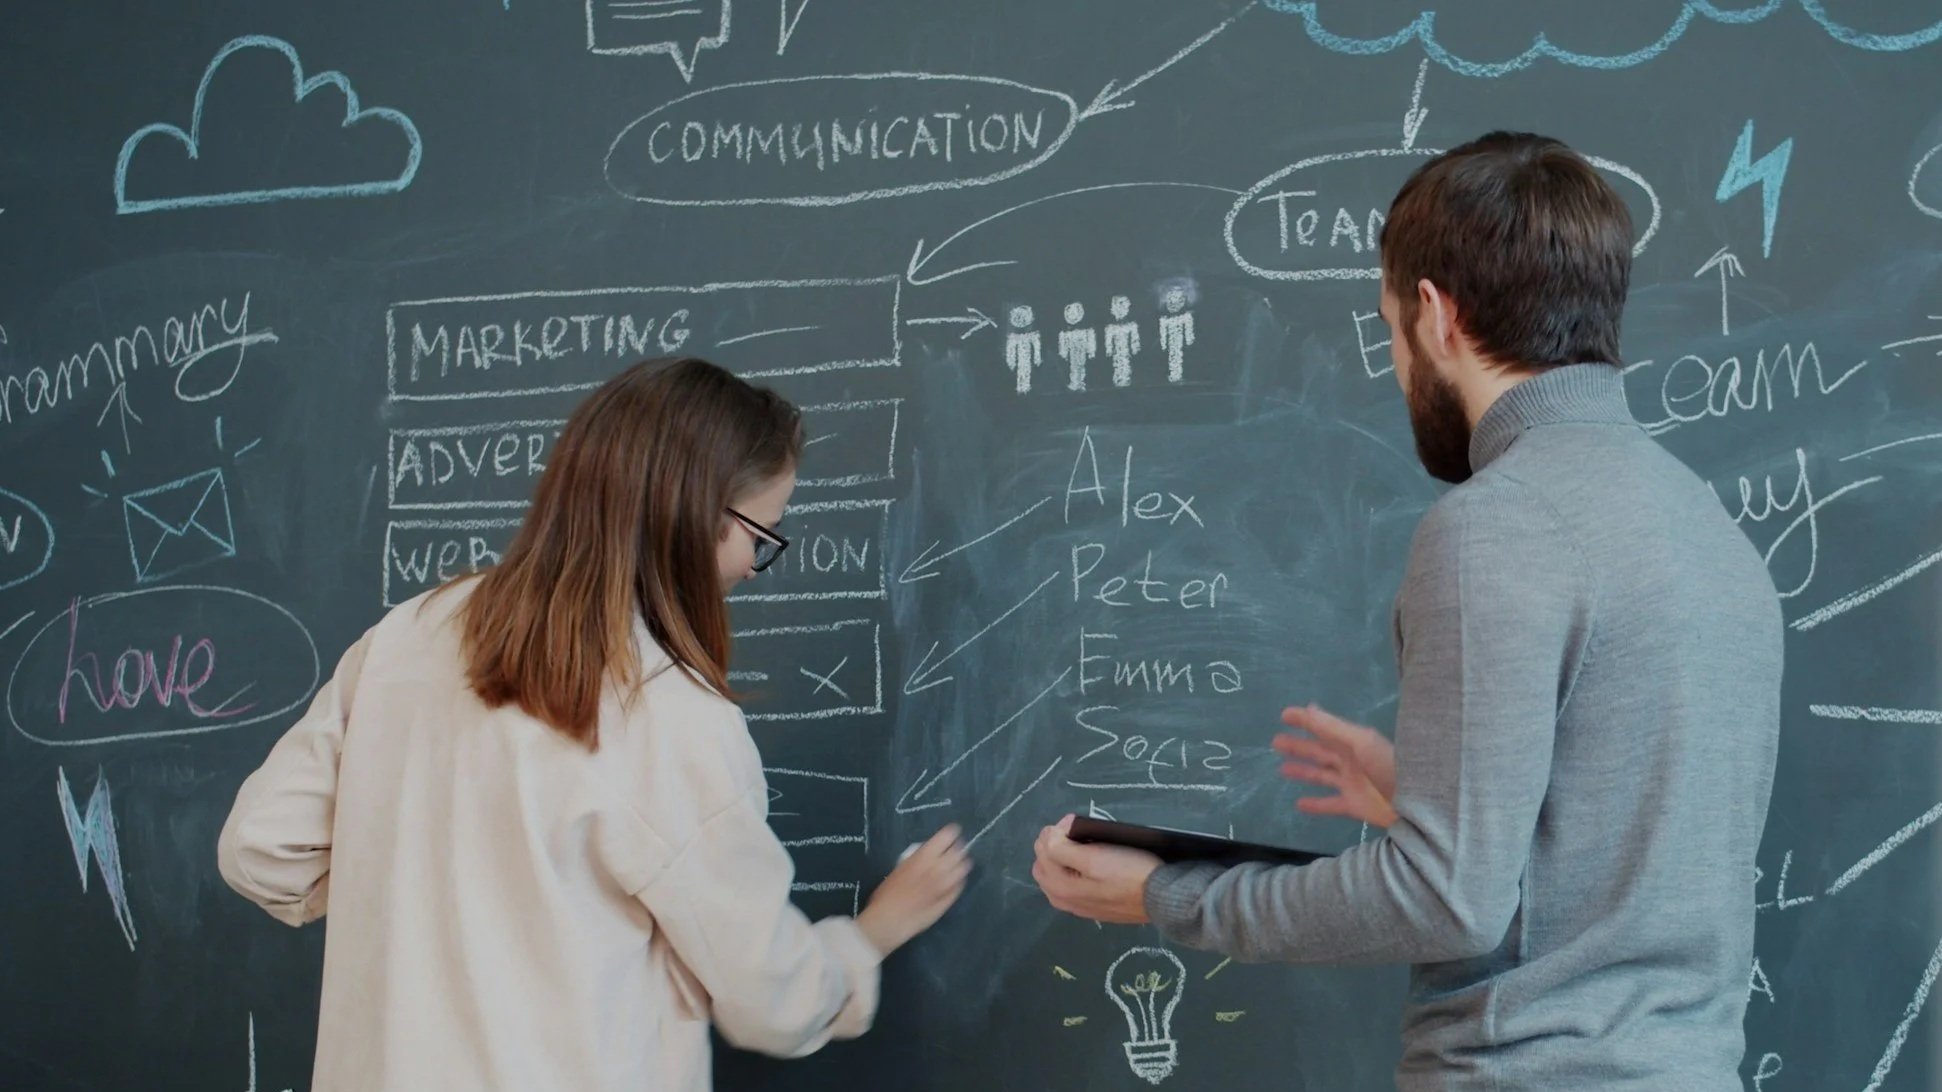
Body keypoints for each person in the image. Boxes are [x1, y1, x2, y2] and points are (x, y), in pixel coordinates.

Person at [1032, 131, 1784, 1091]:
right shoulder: (1706, 523)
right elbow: (1613, 850)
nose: (1395, 367)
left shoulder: (1495, 527)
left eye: (1389, 329)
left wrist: (1171, 895)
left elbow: (1446, 899)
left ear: (1436, 316)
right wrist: (1424, 788)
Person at [219, 357, 970, 1091]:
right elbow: (771, 999)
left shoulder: (409, 634)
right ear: (697, 514)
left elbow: (262, 850)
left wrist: (415, 884)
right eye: (761, 537)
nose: (751, 566)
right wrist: (872, 935)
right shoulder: (668, 712)